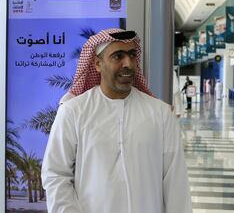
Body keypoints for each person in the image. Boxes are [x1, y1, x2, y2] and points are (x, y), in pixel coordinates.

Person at [41, 28, 192, 213]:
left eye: (131, 55)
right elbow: (56, 174)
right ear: (97, 64)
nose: (128, 63)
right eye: (117, 56)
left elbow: (175, 179)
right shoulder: (73, 112)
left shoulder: (160, 113)